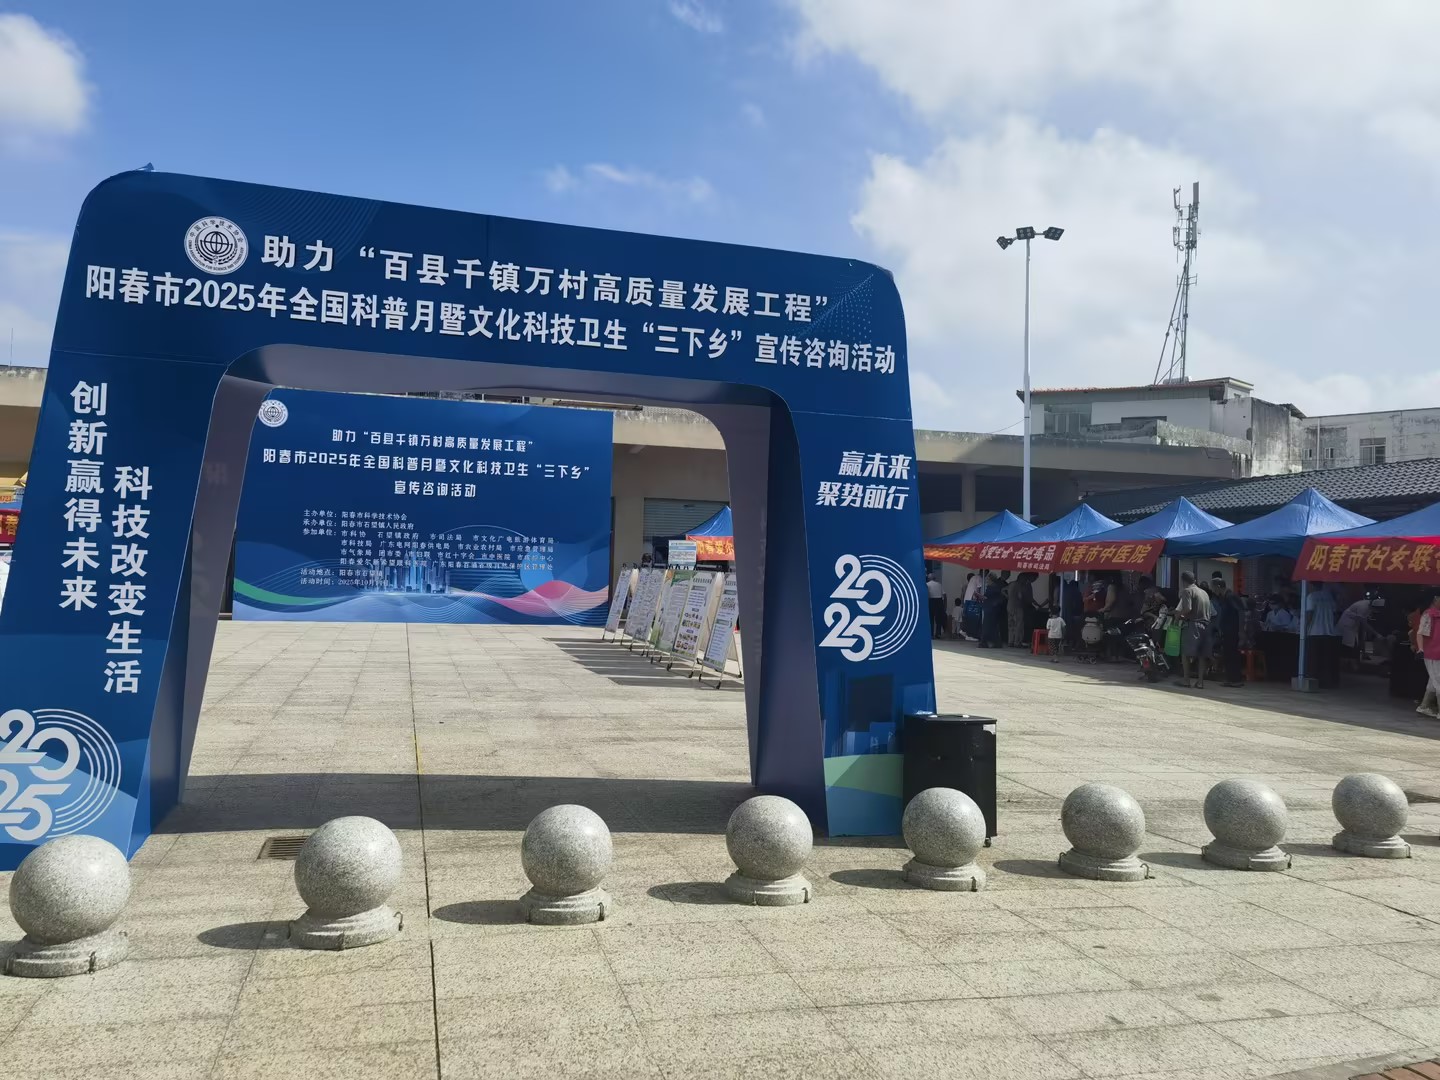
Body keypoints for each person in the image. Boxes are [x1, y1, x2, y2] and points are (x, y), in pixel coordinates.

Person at [1175, 571, 1213, 689]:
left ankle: (1186, 680)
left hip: (1193, 625)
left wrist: (1178, 616)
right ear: (1195, 580)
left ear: (1183, 581)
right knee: (1202, 655)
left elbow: (1187, 608)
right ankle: (1200, 682)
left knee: (1186, 653)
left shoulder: (1187, 591)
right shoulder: (1204, 593)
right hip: (1206, 626)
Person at [1304, 583, 1342, 688]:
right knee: (1326, 660)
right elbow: (1335, 615)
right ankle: (1327, 683)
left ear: (1312, 586)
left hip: (1314, 632)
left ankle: (1313, 681)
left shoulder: (1311, 597)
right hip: (1329, 633)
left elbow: (1309, 615)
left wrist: (1305, 628)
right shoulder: (1329, 597)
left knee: (1313, 659)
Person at [1211, 574, 1245, 687]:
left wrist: (1241, 630)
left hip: (1233, 630)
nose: (1213, 591)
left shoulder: (1231, 596)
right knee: (1227, 654)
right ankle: (1230, 678)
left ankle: (1236, 679)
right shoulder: (1224, 598)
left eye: (1213, 588)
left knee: (1232, 654)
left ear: (1218, 586)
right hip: (1227, 631)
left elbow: (1241, 612)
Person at [1418, 591, 1440, 719]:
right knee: (1438, 680)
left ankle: (1424, 706)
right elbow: (1421, 633)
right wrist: (1421, 648)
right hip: (1432, 653)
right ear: (1435, 599)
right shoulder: (1428, 614)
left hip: (1436, 652)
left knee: (1433, 681)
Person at [980, 573, 1006, 648]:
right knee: (991, 626)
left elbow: (996, 598)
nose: (987, 581)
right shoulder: (993, 587)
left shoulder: (994, 588)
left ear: (991, 580)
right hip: (990, 608)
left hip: (991, 609)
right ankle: (994, 642)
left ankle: (985, 642)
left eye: (988, 579)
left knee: (988, 626)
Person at [1007, 571, 1033, 648]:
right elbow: (1020, 596)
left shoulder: (1011, 583)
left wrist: (1008, 597)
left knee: (1011, 625)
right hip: (1017, 607)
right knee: (1019, 625)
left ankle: (1010, 641)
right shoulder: (1019, 585)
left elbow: (1003, 590)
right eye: (1025, 579)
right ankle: (1017, 642)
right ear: (1022, 578)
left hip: (1009, 606)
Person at [926, 572, 946, 639]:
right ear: (934, 578)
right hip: (939, 601)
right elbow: (944, 594)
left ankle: (931, 634)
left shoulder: (927, 584)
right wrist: (944, 605)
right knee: (938, 619)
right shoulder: (939, 584)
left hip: (931, 601)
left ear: (928, 578)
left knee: (930, 619)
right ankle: (938, 633)